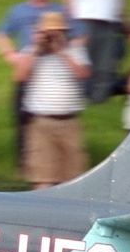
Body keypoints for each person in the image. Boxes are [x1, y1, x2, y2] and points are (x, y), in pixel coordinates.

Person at [0, 0, 68, 165]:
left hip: (52, 72)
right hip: (28, 68)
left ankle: (53, 159)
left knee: (49, 115)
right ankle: (25, 163)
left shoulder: (60, 11)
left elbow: (78, 36)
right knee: (21, 115)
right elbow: (0, 34)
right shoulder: (18, 11)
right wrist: (11, 56)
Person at [11, 11, 91, 189]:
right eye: (49, 32)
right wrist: (37, 50)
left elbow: (83, 74)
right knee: (42, 177)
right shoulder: (32, 52)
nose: (53, 36)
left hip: (69, 122)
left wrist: (61, 52)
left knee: (73, 178)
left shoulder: (75, 50)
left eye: (57, 32)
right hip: (41, 124)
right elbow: (19, 76)